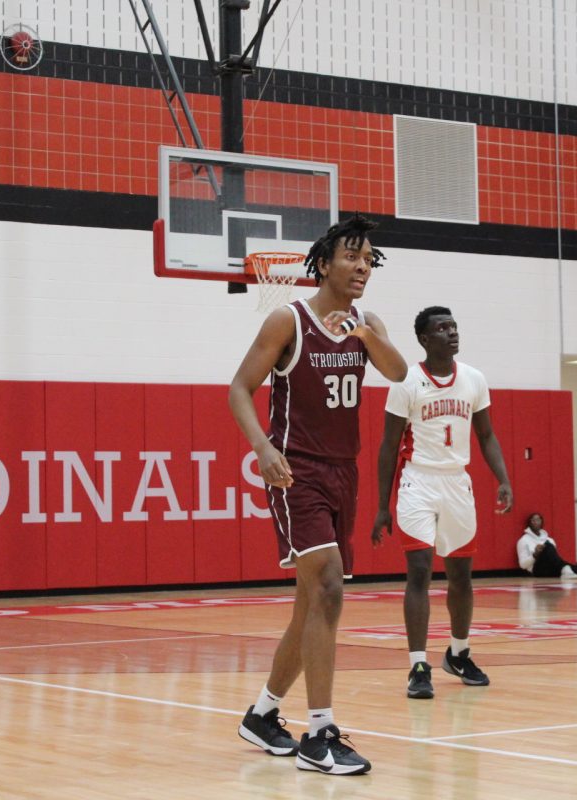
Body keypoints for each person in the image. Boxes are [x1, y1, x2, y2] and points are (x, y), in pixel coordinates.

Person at [230, 215, 407, 776]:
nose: (362, 267)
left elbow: (400, 372)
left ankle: (263, 714)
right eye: (352, 257)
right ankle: (320, 732)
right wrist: (261, 447)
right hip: (295, 470)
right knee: (328, 587)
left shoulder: (365, 322)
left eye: (368, 259)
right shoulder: (290, 319)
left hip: (343, 473)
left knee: (312, 602)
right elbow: (239, 388)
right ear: (325, 263)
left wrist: (366, 335)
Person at [371, 306, 513, 700]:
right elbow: (387, 446)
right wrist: (382, 505)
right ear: (424, 338)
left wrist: (502, 477)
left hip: (457, 483)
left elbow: (486, 435)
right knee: (419, 570)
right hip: (418, 480)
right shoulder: (406, 381)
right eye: (442, 328)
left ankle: (459, 652)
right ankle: (419, 664)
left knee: (461, 576)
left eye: (454, 326)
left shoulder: (474, 379)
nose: (451, 333)